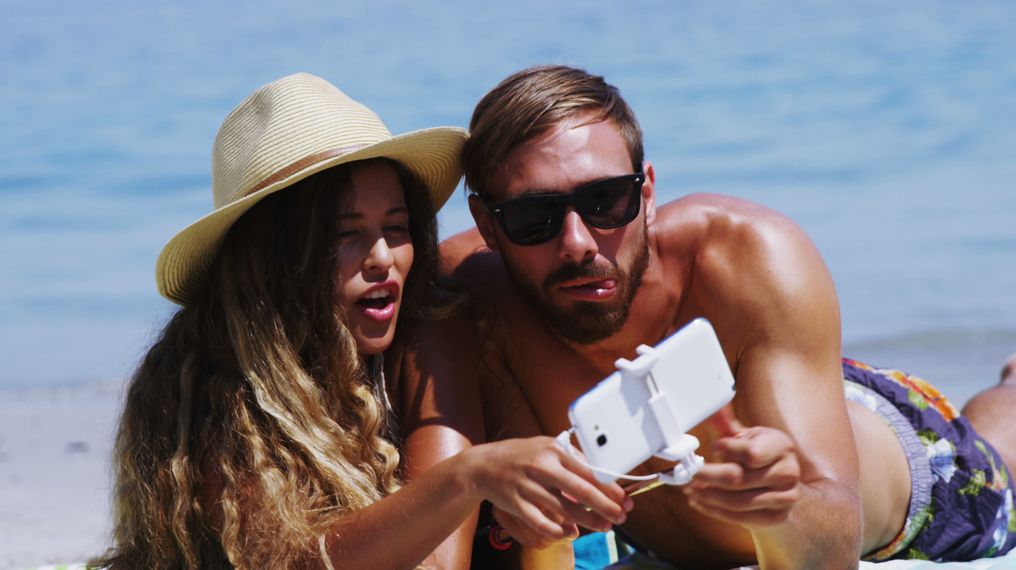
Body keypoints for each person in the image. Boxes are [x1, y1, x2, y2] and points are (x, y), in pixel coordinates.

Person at [401, 65, 1016, 568]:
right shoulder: (465, 299)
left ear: (645, 193)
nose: (578, 243)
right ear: (487, 225)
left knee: (1001, 452)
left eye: (603, 201)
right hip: (797, 388)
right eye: (534, 218)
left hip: (907, 471)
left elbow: (832, 553)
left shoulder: (748, 257)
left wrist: (784, 501)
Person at [91, 72, 630, 570]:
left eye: (397, 229)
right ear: (270, 256)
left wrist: (472, 478)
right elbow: (289, 563)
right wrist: (466, 478)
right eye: (343, 235)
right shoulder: (205, 386)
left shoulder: (429, 335)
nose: (383, 258)